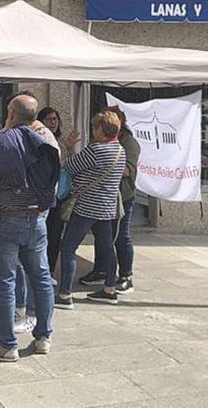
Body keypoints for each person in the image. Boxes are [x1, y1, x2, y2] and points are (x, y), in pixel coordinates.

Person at [0, 94, 59, 362]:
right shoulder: (46, 140)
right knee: (42, 278)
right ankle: (43, 337)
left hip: (6, 218)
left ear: (11, 114)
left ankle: (6, 345)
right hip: (36, 218)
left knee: (5, 282)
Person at [56, 112, 126, 308]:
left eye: (94, 128)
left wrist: (70, 149)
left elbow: (70, 166)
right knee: (107, 248)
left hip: (86, 207)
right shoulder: (120, 150)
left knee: (68, 248)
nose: (92, 131)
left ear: (101, 130)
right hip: (106, 208)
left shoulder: (95, 150)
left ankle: (64, 294)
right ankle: (110, 289)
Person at [80, 107, 141, 293]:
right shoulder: (100, 141)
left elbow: (128, 170)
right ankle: (101, 270)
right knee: (102, 235)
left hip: (123, 196)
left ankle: (126, 275)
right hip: (103, 196)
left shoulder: (129, 143)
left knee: (121, 235)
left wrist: (104, 161)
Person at [37, 107, 81, 280]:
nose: (53, 123)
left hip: (61, 195)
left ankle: (49, 269)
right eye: (49, 119)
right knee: (42, 235)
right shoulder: (39, 140)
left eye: (55, 119)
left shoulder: (62, 142)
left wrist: (70, 149)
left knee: (55, 235)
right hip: (44, 193)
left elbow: (73, 166)